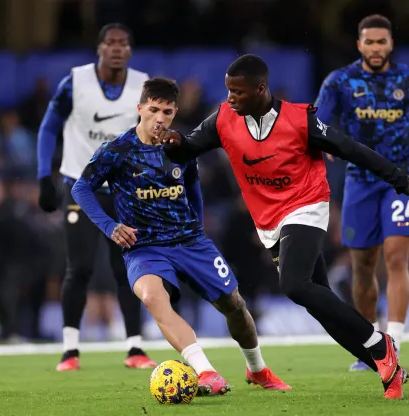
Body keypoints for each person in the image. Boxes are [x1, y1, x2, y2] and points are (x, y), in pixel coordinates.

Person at [156, 54, 409, 399]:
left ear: (261, 89)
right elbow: (187, 149)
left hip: (306, 204)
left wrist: (395, 176)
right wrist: (174, 144)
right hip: (269, 220)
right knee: (320, 304)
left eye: (238, 92)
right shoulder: (223, 120)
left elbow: (347, 148)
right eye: (228, 90)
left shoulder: (299, 120)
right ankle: (389, 369)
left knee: (293, 284)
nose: (230, 98)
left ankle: (378, 344)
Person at [71, 77, 291, 395]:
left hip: (190, 241)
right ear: (140, 108)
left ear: (175, 112)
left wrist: (198, 227)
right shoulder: (116, 151)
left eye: (168, 112)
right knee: (152, 296)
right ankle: (206, 372)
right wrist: (110, 226)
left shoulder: (179, 146)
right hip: (144, 247)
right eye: (154, 110)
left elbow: (192, 186)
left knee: (235, 306)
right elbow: (81, 187)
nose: (160, 118)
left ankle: (257, 369)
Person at [313, 14, 409, 371]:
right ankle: (372, 347)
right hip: (359, 182)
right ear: (359, 44)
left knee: (396, 257)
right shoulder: (340, 81)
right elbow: (316, 122)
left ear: (391, 44)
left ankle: (393, 342)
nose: (376, 48)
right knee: (362, 268)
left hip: (401, 180)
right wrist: (323, 141)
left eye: (382, 42)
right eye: (369, 41)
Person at [36, 22, 155, 371]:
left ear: (130, 50)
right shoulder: (75, 82)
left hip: (123, 190)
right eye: (111, 43)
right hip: (80, 186)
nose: (117, 48)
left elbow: (152, 133)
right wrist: (45, 176)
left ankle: (135, 347)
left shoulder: (142, 86)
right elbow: (48, 126)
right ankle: (70, 350)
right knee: (80, 267)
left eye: (124, 43)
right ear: (99, 48)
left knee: (128, 267)